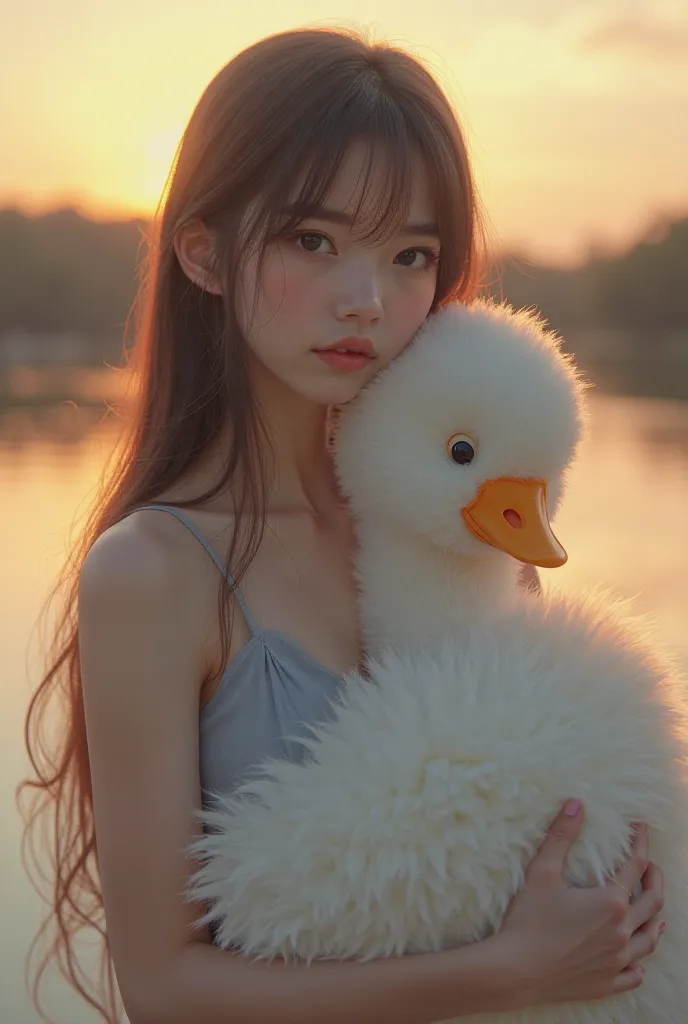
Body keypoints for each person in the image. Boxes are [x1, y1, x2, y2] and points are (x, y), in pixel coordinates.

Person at [20, 26, 665, 1024]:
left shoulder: (453, 511)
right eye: (312, 241)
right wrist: (505, 972)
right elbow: (161, 984)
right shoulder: (153, 570)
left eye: (410, 254)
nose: (365, 299)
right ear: (202, 251)